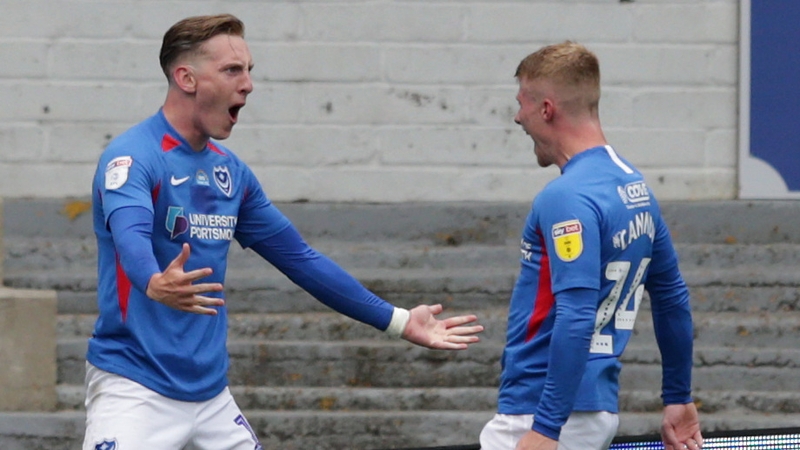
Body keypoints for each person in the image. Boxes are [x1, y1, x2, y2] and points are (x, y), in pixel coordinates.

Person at [84, 13, 484, 450]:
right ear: (186, 78)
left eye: (249, 71)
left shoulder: (230, 173)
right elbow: (130, 236)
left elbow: (301, 259)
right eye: (232, 70)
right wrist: (154, 281)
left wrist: (400, 321)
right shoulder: (133, 156)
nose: (249, 85)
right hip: (135, 388)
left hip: (210, 395)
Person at [479, 42, 703, 450]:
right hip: (591, 410)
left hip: (541, 412)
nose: (517, 116)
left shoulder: (566, 196)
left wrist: (546, 429)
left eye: (522, 103)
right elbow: (671, 297)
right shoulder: (635, 187)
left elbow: (577, 315)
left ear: (546, 109)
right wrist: (678, 398)